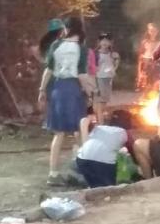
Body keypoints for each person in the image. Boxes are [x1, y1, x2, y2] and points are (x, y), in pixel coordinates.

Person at [38, 15, 93, 183]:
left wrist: (42, 90)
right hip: (73, 89)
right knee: (80, 131)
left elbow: (48, 70)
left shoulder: (56, 45)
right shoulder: (81, 48)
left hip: (57, 89)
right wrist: (90, 92)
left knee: (59, 133)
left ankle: (53, 174)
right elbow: (82, 75)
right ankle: (83, 172)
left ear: (66, 29)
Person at [72, 110, 131, 188]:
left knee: (94, 184)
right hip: (103, 164)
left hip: (82, 160)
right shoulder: (124, 132)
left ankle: (90, 185)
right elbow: (129, 151)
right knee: (108, 189)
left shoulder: (99, 127)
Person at [95, 33, 118, 109]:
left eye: (107, 41)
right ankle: (99, 114)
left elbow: (115, 65)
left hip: (108, 78)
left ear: (110, 43)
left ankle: (102, 112)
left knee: (106, 98)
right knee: (100, 98)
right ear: (99, 42)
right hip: (99, 78)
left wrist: (113, 71)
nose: (105, 42)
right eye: (103, 40)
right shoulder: (96, 54)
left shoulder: (113, 54)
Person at [136, 23, 160, 91]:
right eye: (151, 30)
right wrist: (139, 71)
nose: (152, 32)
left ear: (157, 31)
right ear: (148, 31)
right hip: (146, 63)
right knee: (146, 82)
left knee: (156, 82)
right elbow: (141, 55)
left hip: (156, 63)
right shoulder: (145, 42)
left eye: (154, 30)